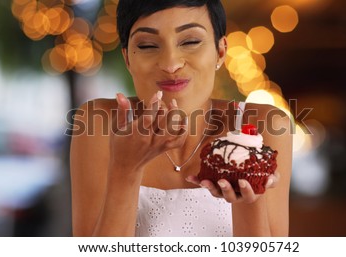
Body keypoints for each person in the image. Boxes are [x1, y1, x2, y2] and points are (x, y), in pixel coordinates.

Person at [70, 0, 293, 237]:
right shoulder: (98, 123)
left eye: (190, 41)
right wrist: (125, 169)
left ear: (220, 51)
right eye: (146, 46)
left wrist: (249, 198)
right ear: (127, 59)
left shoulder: (265, 127)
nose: (170, 64)